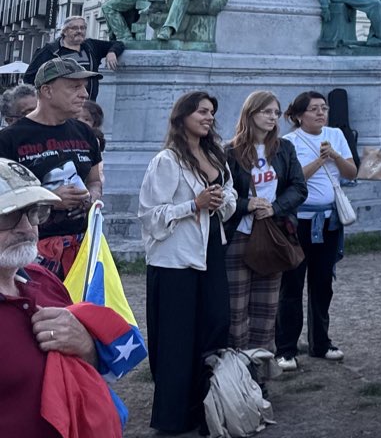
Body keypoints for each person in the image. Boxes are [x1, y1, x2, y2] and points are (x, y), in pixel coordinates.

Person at [0, 157, 125, 438]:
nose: (27, 228)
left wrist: (86, 346)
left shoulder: (45, 281)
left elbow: (88, 371)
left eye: (34, 212)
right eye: (7, 215)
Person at [139, 91, 236, 434]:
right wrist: (192, 205)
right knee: (177, 338)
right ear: (183, 117)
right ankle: (171, 418)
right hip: (174, 260)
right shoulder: (167, 160)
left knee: (214, 325)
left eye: (212, 112)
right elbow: (150, 215)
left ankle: (204, 406)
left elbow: (231, 193)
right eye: (202, 112)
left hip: (209, 250)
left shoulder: (215, 154)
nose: (209, 117)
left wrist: (221, 200)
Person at [225, 90, 307, 374]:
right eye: (266, 111)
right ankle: (236, 377)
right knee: (236, 313)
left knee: (265, 311)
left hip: (272, 236)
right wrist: (248, 204)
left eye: (275, 112)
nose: (273, 117)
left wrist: (275, 207)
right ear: (251, 114)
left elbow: (299, 188)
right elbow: (223, 195)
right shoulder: (230, 151)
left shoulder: (284, 149)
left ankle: (259, 378)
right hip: (239, 237)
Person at [275, 91, 357, 370]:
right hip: (298, 222)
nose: (321, 113)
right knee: (292, 285)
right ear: (298, 116)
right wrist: (321, 161)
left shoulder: (335, 135)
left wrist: (334, 155)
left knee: (323, 284)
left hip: (329, 222)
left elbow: (351, 172)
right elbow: (289, 180)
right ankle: (285, 348)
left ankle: (320, 342)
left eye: (324, 108)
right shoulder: (288, 142)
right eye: (314, 109)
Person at [0, 57, 102, 279]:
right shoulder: (10, 139)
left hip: (81, 245)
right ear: (47, 91)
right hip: (29, 247)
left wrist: (91, 197)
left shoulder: (84, 133)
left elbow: (94, 180)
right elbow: (3, 198)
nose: (84, 94)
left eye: (84, 87)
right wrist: (50, 199)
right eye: (74, 87)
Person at [24, 18, 122, 102]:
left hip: (87, 104)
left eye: (82, 28)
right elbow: (29, 78)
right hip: (61, 107)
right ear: (65, 31)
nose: (79, 31)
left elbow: (119, 44)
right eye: (74, 28)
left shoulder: (91, 46)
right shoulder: (50, 50)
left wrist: (112, 52)